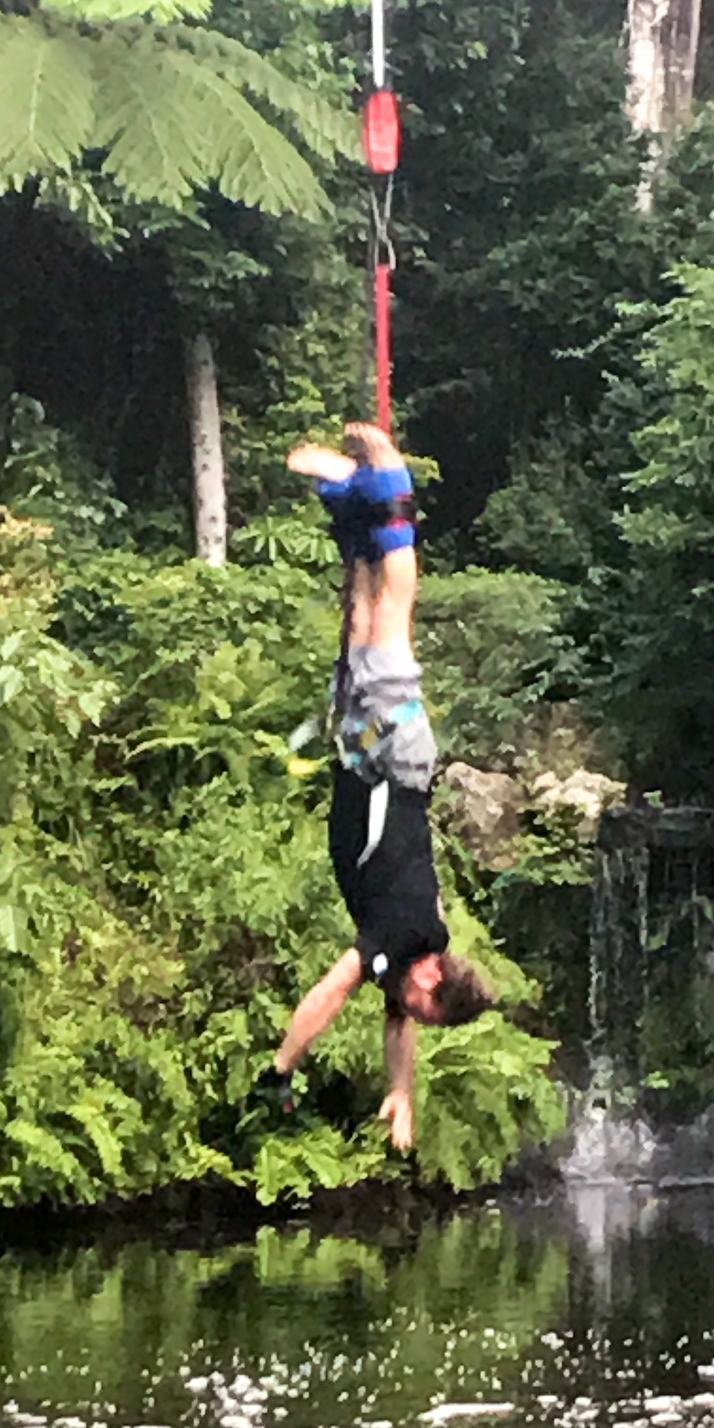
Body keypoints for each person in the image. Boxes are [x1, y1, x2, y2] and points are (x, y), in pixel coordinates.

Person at [269, 421, 493, 1150]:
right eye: (425, 1013)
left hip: (371, 756)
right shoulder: (398, 938)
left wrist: (403, 1092)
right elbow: (334, 993)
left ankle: (353, 503)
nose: (410, 1016)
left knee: (364, 615)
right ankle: (387, 479)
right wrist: (283, 1065)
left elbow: (396, 1025)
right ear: (432, 980)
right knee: (389, 617)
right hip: (392, 754)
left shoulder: (409, 957)